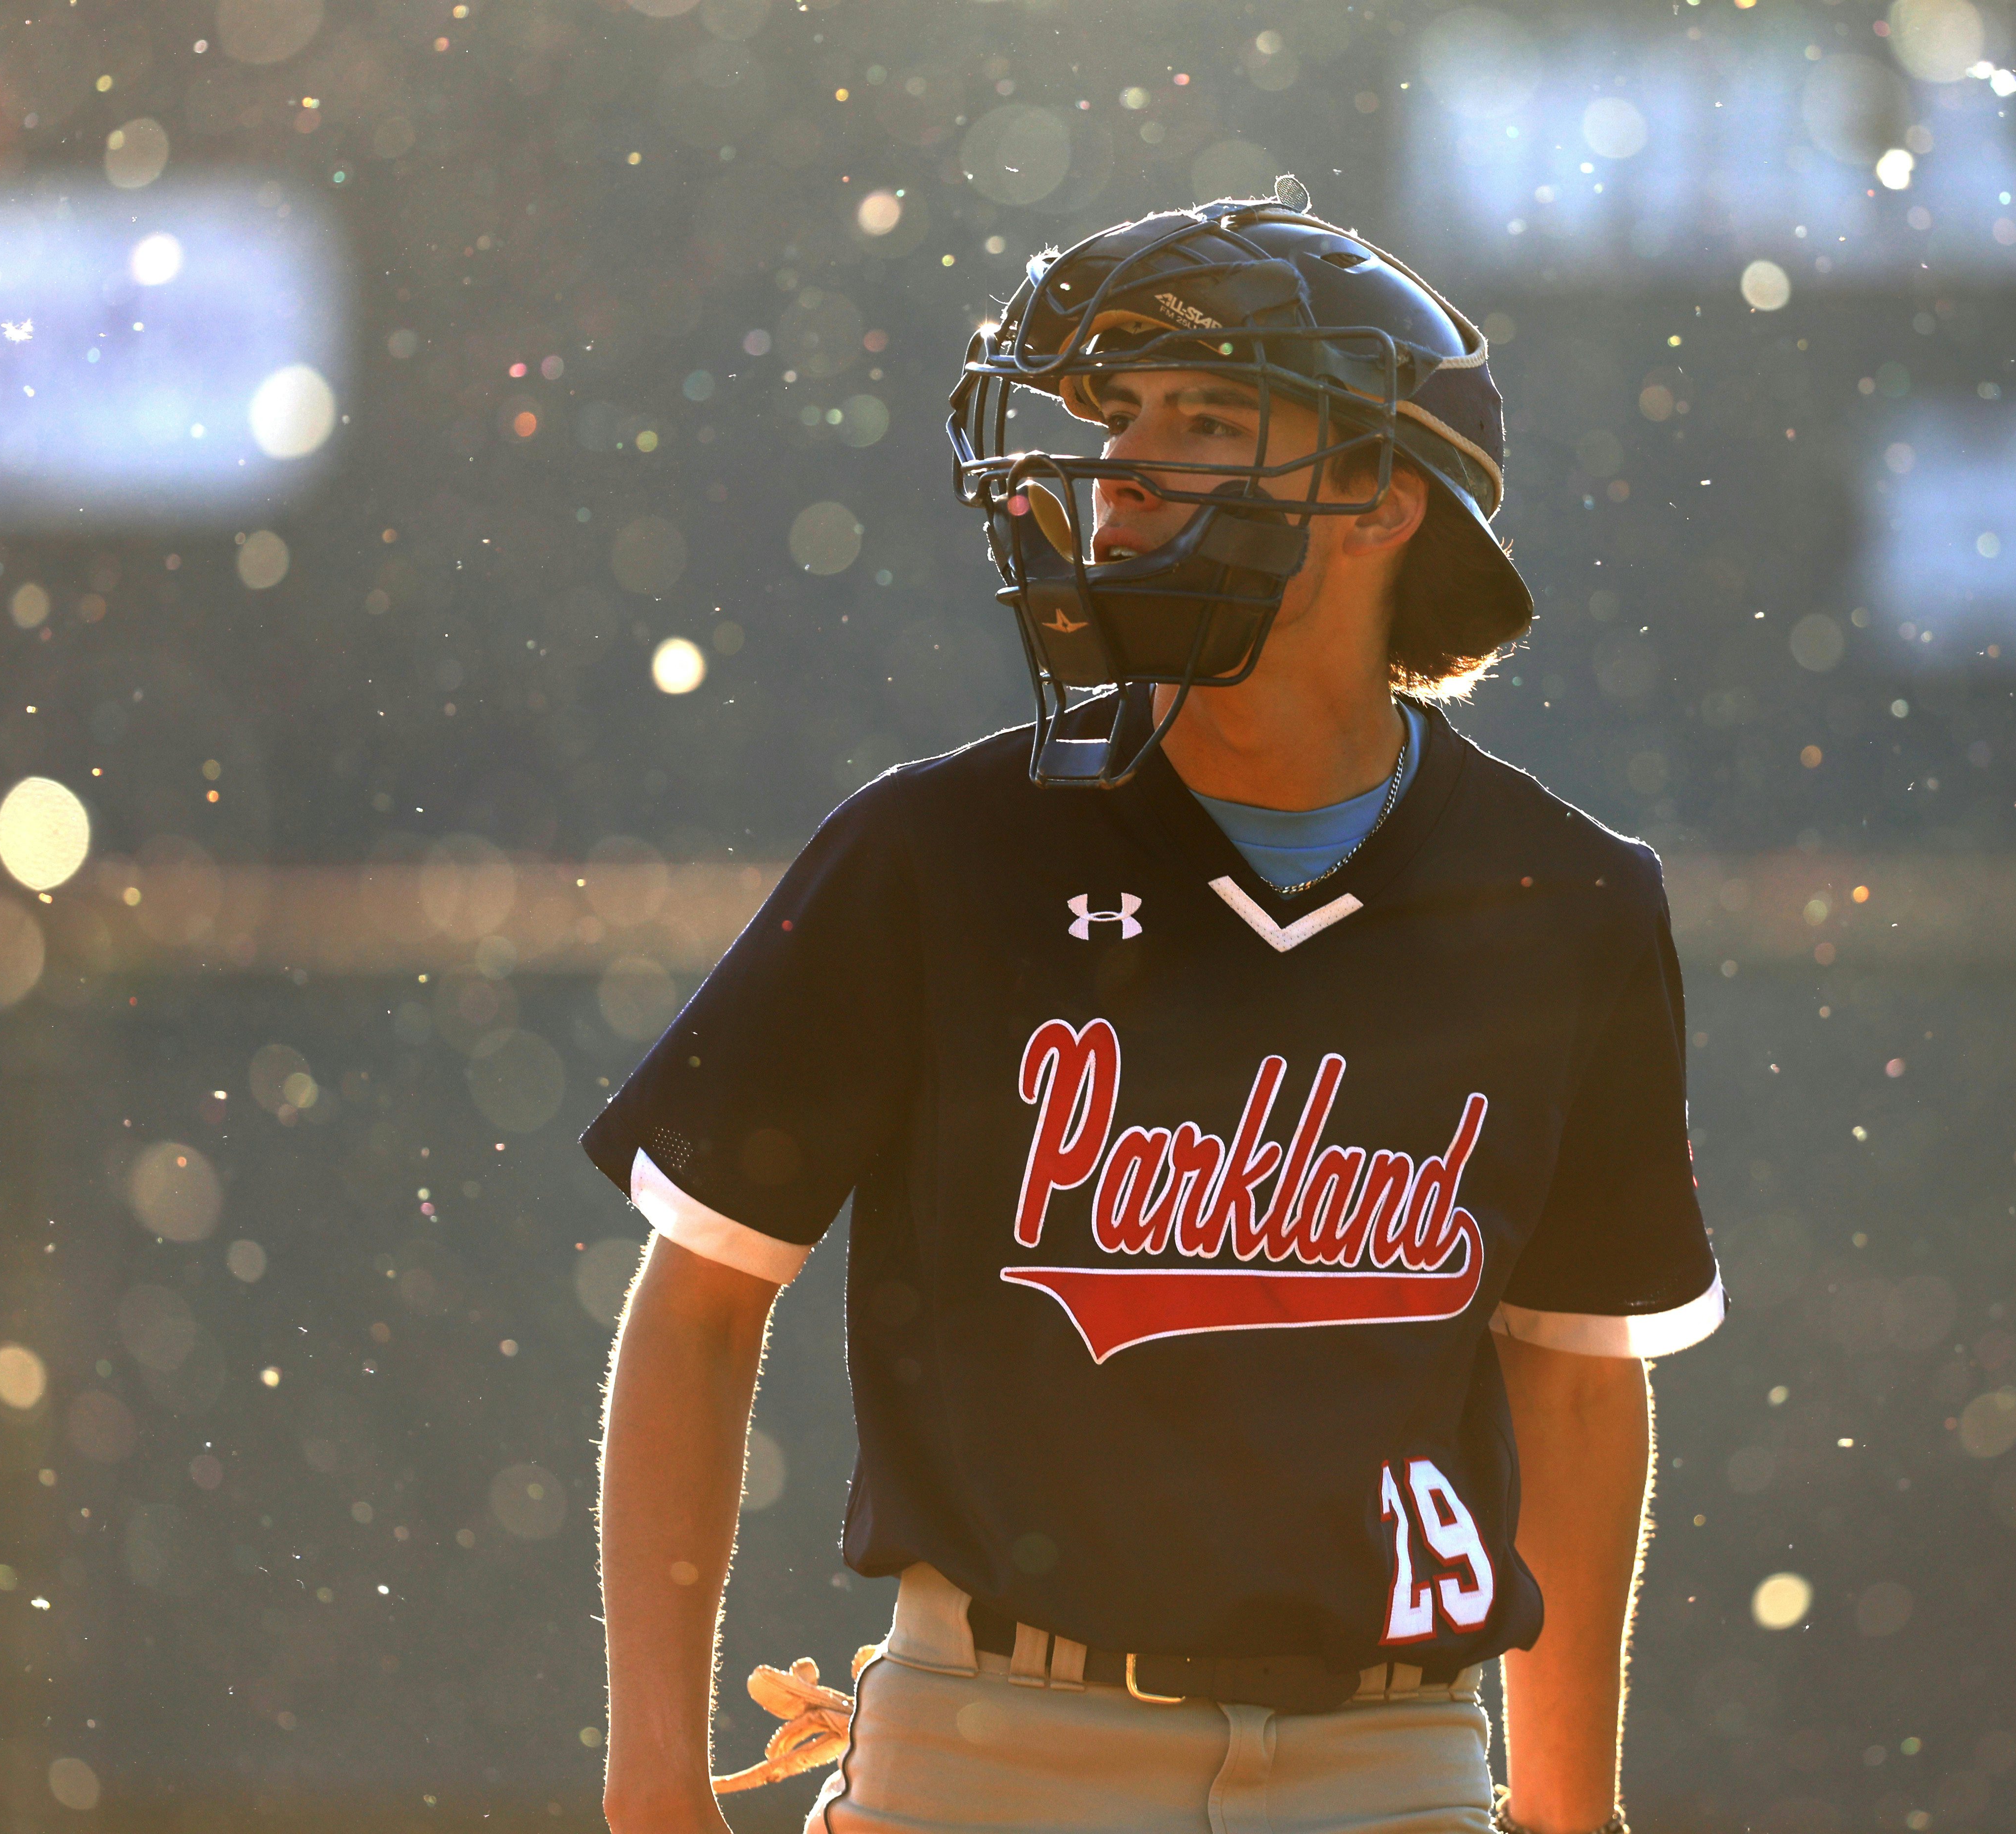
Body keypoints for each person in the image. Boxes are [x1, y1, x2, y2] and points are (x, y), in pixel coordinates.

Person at [586, 183, 1724, 1834]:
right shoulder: (939, 852)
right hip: (990, 1743)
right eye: (1116, 416)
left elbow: (1572, 1376)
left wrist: (1567, 1814)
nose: (1119, 469)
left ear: (1378, 498)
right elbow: (698, 1306)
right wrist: (651, 1794)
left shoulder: (1568, 899)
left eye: (1206, 416)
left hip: (1391, 1765)